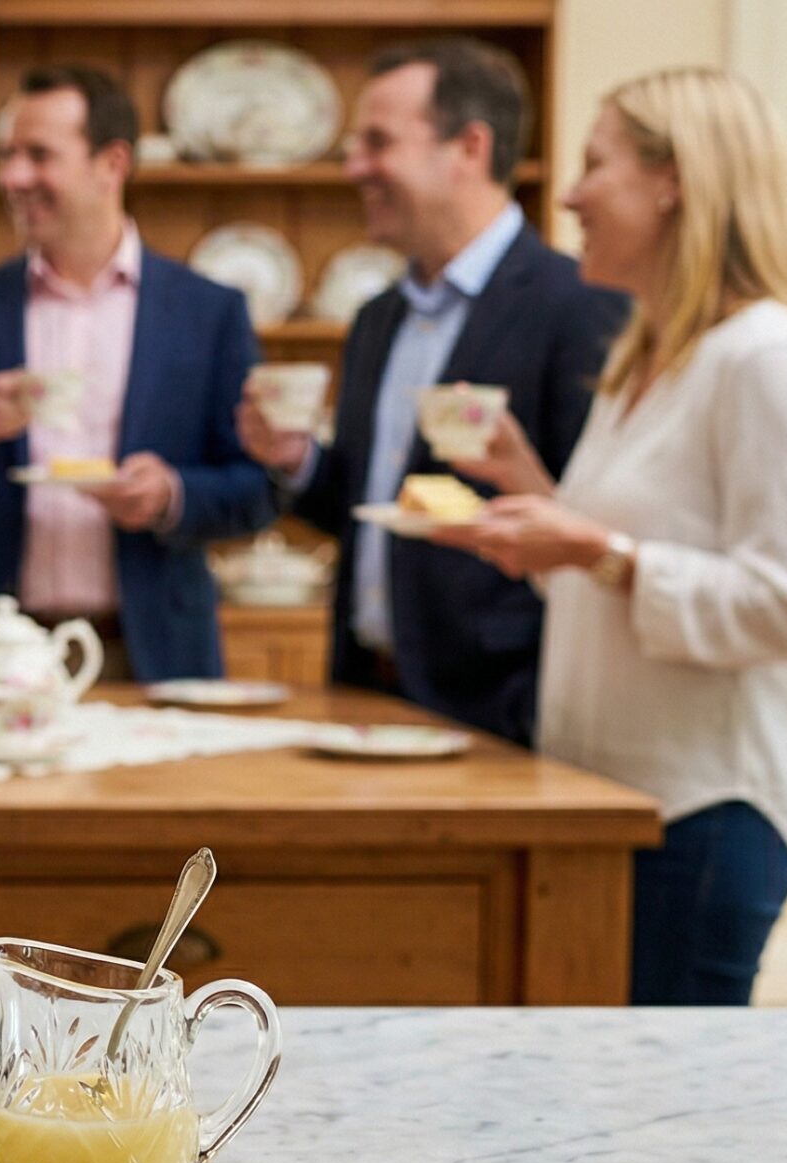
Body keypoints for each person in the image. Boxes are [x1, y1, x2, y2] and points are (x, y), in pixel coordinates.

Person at [429, 68, 787, 1005]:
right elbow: (615, 565)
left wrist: (591, 552)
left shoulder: (769, 359)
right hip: (611, 802)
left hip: (704, 816)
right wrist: (532, 496)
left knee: (664, 1139)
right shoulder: (645, 360)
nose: (569, 194)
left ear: (675, 181)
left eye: (594, 166)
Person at [236, 39, 627, 745]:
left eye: (378, 142)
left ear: (469, 147)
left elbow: (594, 526)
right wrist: (296, 459)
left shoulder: (579, 306)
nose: (355, 166)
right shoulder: (376, 318)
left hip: (502, 715)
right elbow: (368, 506)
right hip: (361, 699)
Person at [0, 65, 273, 680]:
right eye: (6, 155)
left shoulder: (210, 313)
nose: (12, 177)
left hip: (153, 657)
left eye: (38, 155)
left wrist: (171, 496)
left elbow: (258, 490)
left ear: (112, 163)